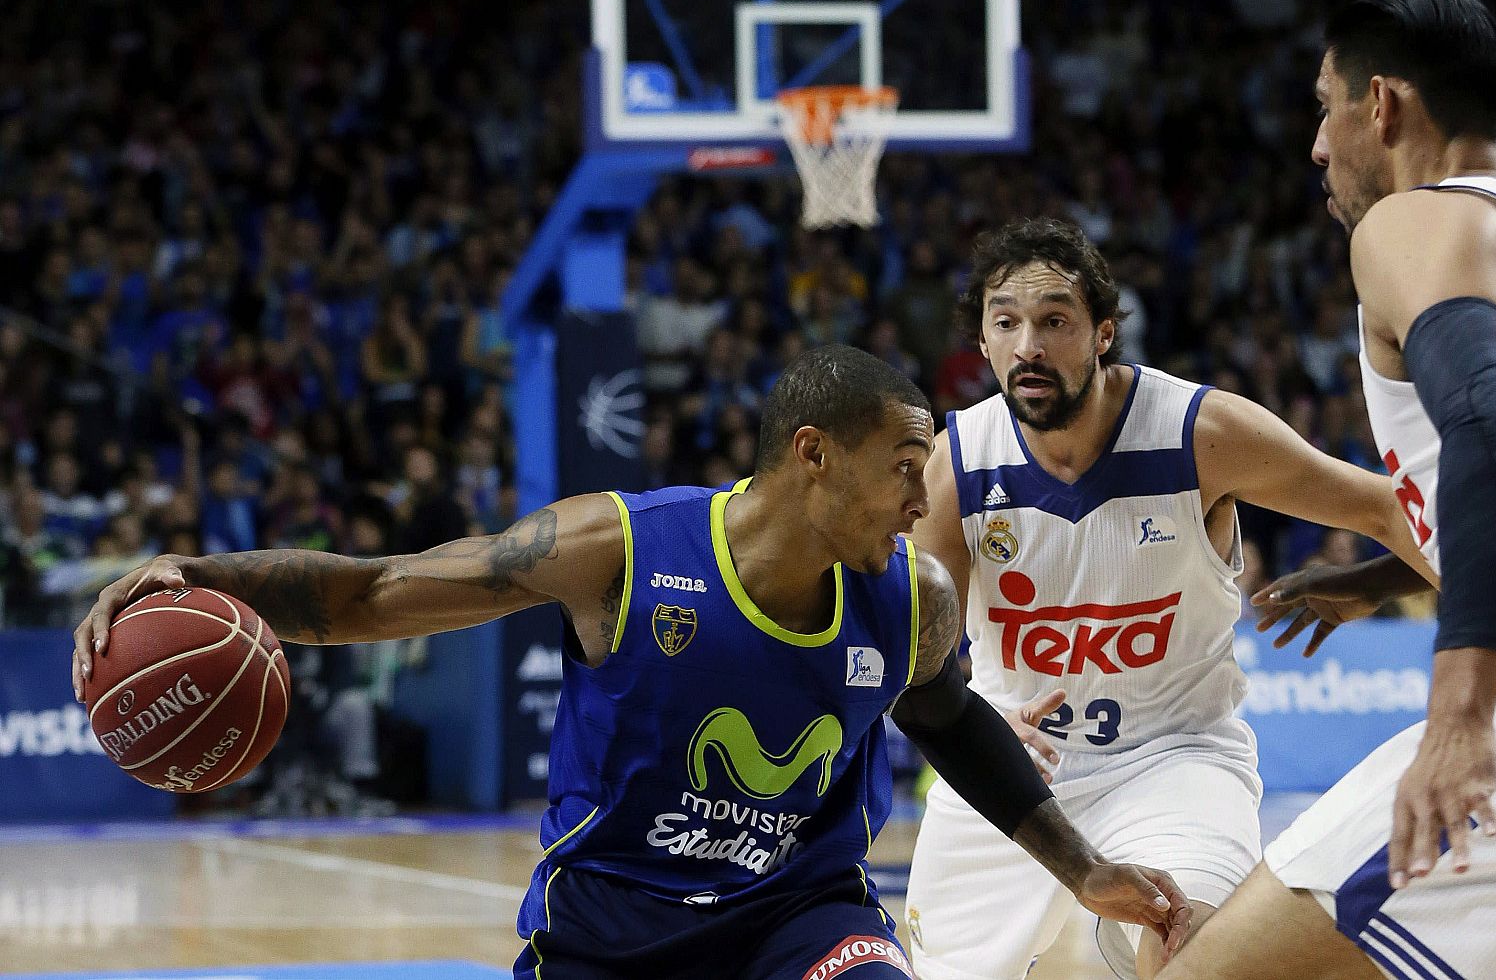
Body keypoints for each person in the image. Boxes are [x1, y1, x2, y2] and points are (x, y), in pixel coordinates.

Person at [71, 345, 1190, 980]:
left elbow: (951, 724)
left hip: (796, 919)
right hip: (609, 933)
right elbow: (373, 590)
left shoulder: (914, 599)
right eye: (903, 467)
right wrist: (197, 572)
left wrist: (1079, 866)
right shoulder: (617, 550)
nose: (921, 497)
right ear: (812, 455)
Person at [1164, 0, 1496, 980]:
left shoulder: (1412, 227)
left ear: (1385, 105)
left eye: (1325, 104)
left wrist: (1457, 714)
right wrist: (1382, 577)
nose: (1317, 143)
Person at [903, 217, 1436, 980]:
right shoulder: (955, 469)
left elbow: (1393, 507)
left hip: (1173, 758)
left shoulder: (1198, 432)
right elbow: (913, 655)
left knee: (1190, 944)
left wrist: (1383, 582)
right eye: (1007, 322)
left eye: (1055, 320)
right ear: (983, 343)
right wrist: (973, 717)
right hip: (1016, 772)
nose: (1029, 345)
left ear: (1104, 334)